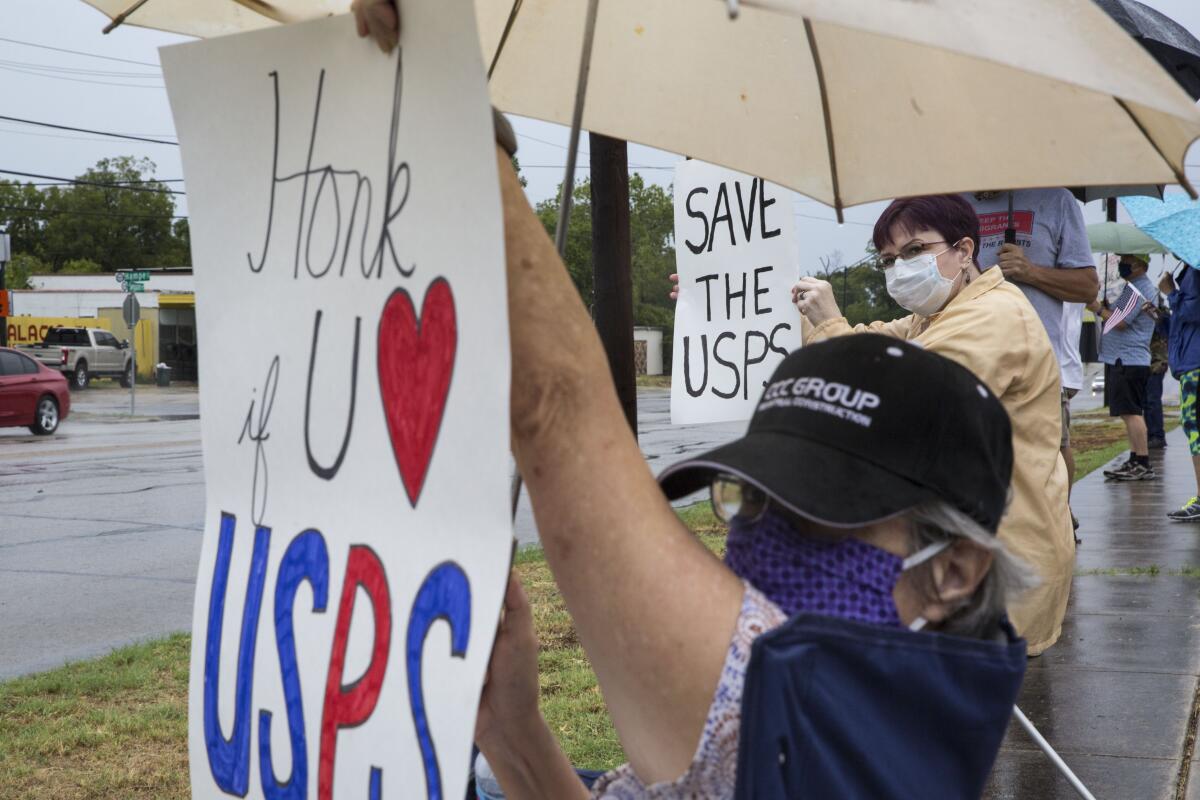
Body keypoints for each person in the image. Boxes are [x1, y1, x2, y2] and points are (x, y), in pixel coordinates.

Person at [355, 7, 1033, 797]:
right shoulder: (880, 711)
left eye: (821, 519)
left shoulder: (820, 726)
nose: (758, 549)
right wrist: (514, 737)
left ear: (954, 569)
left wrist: (445, 109)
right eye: (751, 502)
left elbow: (553, 405)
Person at [791, 194, 1073, 656]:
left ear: (964, 251)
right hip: (963, 551)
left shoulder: (994, 318)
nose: (900, 267)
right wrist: (751, 307)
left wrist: (829, 327)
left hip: (998, 562)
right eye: (888, 259)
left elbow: (898, 405)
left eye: (914, 251)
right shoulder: (942, 314)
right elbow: (874, 344)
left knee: (961, 710)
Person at [966, 189, 1097, 534]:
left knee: (1050, 452)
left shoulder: (1055, 201)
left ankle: (1056, 522)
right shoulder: (951, 202)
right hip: (971, 358)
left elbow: (1087, 286)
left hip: (1038, 362)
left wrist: (1030, 271)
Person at [1087, 254, 1158, 481]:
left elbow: (1119, 322)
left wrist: (1097, 308)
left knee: (1132, 413)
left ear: (1139, 265)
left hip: (1127, 359)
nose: (1122, 265)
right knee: (1129, 412)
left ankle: (1142, 462)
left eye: (1127, 261)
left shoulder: (1136, 290)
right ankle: (1136, 458)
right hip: (1128, 359)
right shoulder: (1139, 288)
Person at [1162, 264, 1200, 520]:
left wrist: (1170, 292)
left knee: (1193, 425)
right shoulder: (1190, 270)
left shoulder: (1195, 271)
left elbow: (1194, 311)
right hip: (1188, 360)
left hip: (1195, 362)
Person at [1146, 297, 1170, 450]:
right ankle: (1150, 435)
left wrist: (1152, 312)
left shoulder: (1160, 313)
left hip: (1157, 361)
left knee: (1152, 399)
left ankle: (1157, 436)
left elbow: (1163, 323)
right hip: (1144, 360)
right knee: (1145, 401)